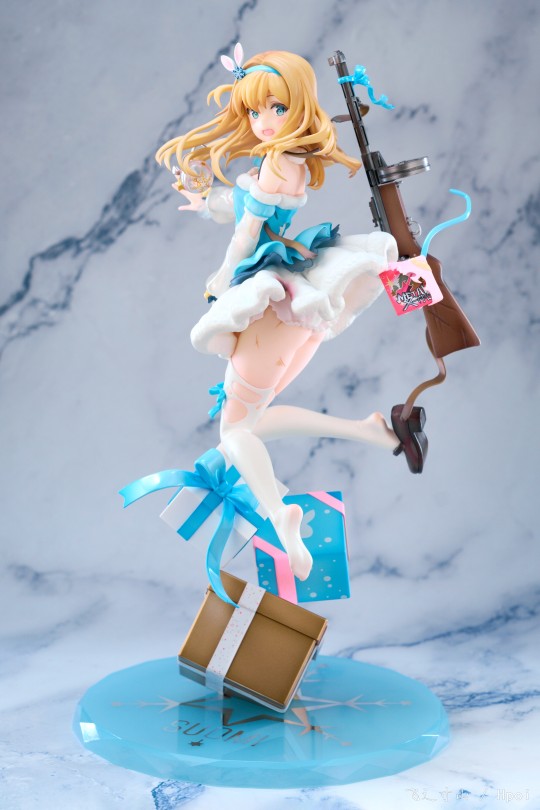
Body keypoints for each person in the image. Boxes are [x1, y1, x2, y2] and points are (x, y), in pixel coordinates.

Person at [156, 46, 404, 582]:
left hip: (272, 303)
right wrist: (208, 204)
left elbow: (248, 235)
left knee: (234, 433)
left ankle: (279, 514)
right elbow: (249, 207)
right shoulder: (289, 161)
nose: (263, 122)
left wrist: (223, 283)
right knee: (251, 422)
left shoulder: (276, 164)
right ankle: (366, 431)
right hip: (296, 310)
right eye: (254, 111)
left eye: (276, 107)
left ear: (299, 105)